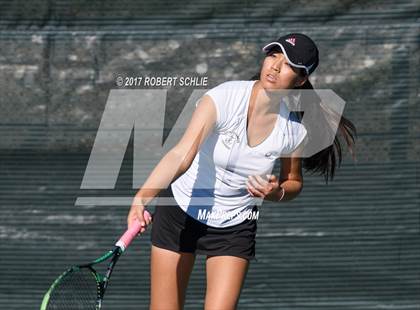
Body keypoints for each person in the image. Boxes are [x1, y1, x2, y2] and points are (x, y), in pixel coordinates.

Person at [127, 33, 357, 310]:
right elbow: (181, 154)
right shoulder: (223, 98)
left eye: (288, 64)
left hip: (235, 223)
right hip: (181, 210)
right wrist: (142, 197)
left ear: (300, 80)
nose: (274, 66)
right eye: (273, 55)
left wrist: (277, 192)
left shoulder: (293, 129)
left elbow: (293, 181)